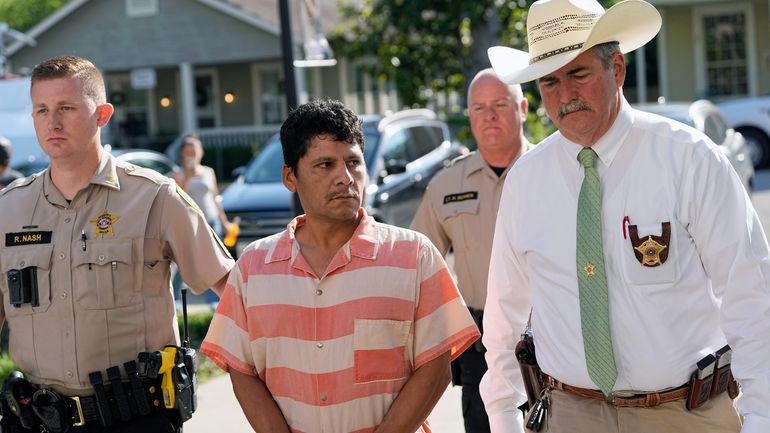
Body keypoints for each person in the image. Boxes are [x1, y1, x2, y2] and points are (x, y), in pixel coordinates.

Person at [480, 0, 770, 432]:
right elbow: (504, 317)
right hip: (567, 414)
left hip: (685, 416)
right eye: (550, 81)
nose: (564, 95)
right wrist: (503, 418)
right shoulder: (526, 182)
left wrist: (761, 417)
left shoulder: (690, 161)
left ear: (617, 68)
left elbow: (751, 296)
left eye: (578, 74)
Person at [200, 97, 481, 433]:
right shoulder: (253, 267)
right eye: (325, 165)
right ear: (290, 177)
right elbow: (241, 369)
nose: (344, 177)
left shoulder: (414, 255)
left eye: (353, 163)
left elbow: (436, 367)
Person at [0, 55, 234, 432]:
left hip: (135, 417)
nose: (52, 122)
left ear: (102, 115)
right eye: (42, 110)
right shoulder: (8, 209)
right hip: (38, 420)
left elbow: (233, 291)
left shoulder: (155, 198)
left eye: (66, 108)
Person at [410, 68, 530, 433]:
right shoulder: (447, 184)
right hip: (481, 348)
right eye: (479, 108)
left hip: (551, 335)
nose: (489, 116)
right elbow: (415, 266)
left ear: (523, 108)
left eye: (499, 105)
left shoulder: (554, 170)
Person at [170, 133, 231, 307]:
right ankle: (175, 299)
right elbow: (176, 198)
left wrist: (224, 221)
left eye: (195, 150)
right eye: (188, 151)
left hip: (212, 222)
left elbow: (215, 197)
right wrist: (187, 177)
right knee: (187, 262)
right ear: (183, 154)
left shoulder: (208, 171)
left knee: (215, 262)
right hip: (191, 225)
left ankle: (215, 301)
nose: (192, 154)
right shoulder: (178, 174)